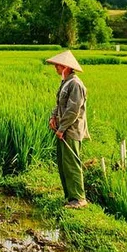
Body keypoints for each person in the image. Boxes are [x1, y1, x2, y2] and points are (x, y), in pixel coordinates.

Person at [46, 50, 89, 209]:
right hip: (63, 129)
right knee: (63, 163)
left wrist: (62, 128)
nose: (55, 67)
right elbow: (59, 104)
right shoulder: (65, 82)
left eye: (57, 65)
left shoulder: (76, 84)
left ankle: (79, 199)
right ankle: (70, 197)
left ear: (65, 66)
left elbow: (73, 110)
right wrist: (53, 118)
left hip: (71, 130)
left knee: (72, 163)